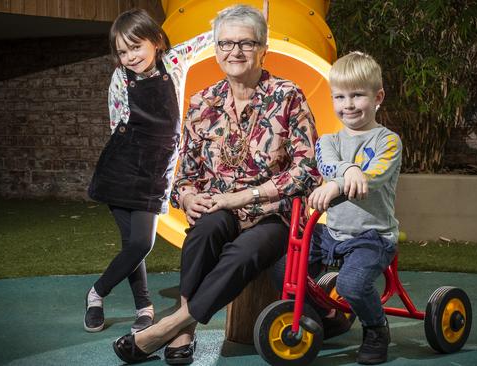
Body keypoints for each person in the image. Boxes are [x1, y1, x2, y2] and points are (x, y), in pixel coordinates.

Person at [112, 4, 321, 365]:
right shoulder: (201, 102)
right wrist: (188, 195)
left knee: (243, 253)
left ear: (263, 47)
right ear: (216, 48)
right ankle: (185, 329)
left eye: (246, 43)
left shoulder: (289, 96)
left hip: (275, 214)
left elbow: (307, 170)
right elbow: (184, 175)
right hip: (218, 208)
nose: (234, 52)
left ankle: (171, 328)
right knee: (202, 234)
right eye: (225, 43)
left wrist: (244, 196)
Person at [85, 8, 214, 334]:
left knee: (141, 242)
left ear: (156, 41)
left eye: (136, 47)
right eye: (122, 51)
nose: (129, 56)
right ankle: (144, 307)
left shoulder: (175, 61)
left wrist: (243, 18)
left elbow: (211, 37)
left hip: (156, 172)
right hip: (121, 167)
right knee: (133, 242)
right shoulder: (120, 78)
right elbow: (118, 125)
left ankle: (96, 292)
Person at [274, 51, 402, 365]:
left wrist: (344, 180)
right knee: (284, 266)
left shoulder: (388, 141)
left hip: (373, 236)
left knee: (351, 284)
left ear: (378, 97)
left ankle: (376, 327)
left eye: (357, 95)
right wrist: (346, 172)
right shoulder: (329, 141)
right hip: (333, 232)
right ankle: (322, 316)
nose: (348, 104)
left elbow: (372, 178)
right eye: (339, 96)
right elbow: (327, 164)